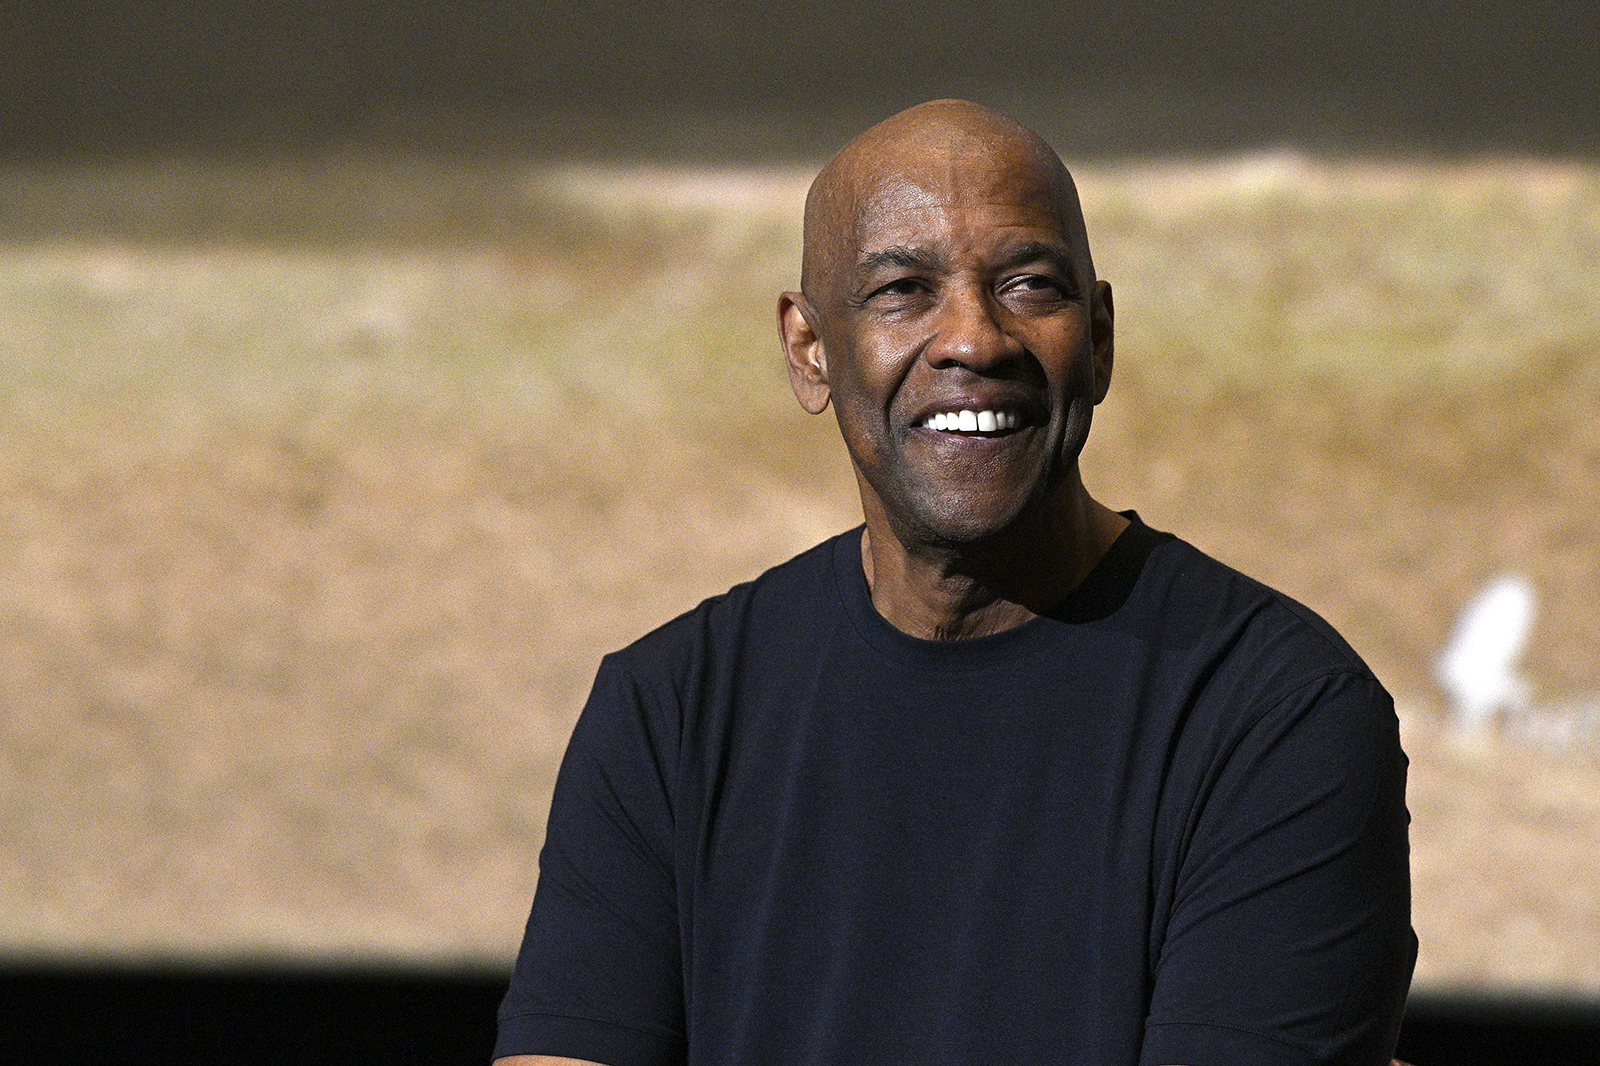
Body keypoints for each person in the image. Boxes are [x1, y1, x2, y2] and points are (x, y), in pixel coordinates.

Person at [493, 99, 1416, 1066]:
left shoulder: (1280, 714)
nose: (975, 339)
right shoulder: (668, 712)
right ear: (810, 349)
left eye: (1028, 286)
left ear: (1098, 339)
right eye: (902, 291)